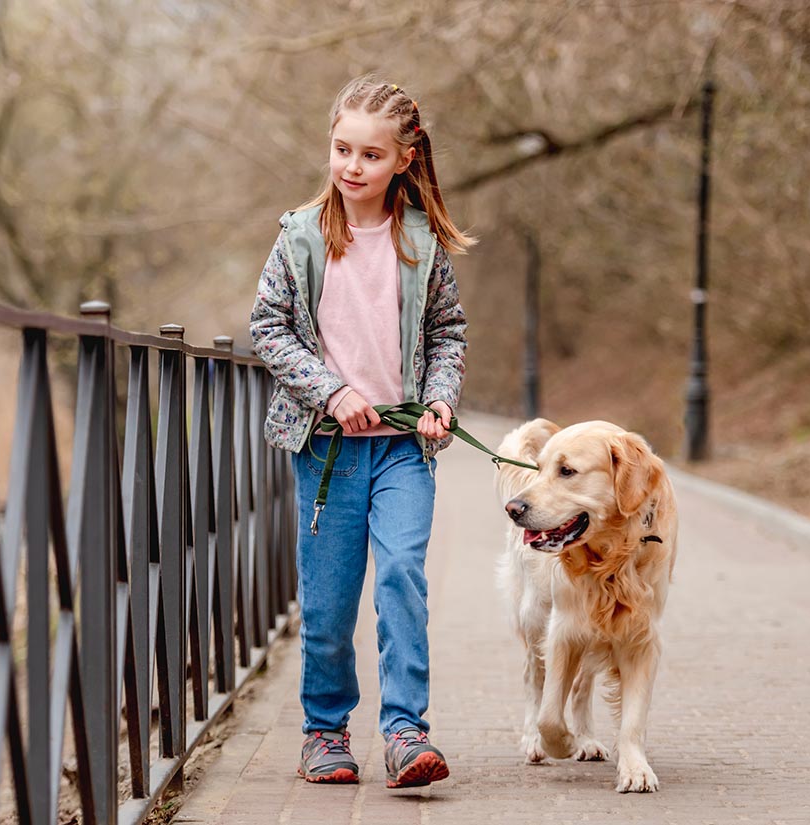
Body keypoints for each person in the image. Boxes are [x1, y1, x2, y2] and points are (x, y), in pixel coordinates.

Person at [249, 76, 473, 789]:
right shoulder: (299, 239)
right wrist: (332, 390)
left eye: (370, 155)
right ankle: (324, 731)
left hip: (404, 449)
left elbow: (448, 335)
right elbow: (268, 329)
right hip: (327, 451)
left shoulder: (423, 243)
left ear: (404, 159)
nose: (351, 166)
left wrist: (438, 400)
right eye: (342, 149)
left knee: (403, 577)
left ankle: (407, 731)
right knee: (329, 599)